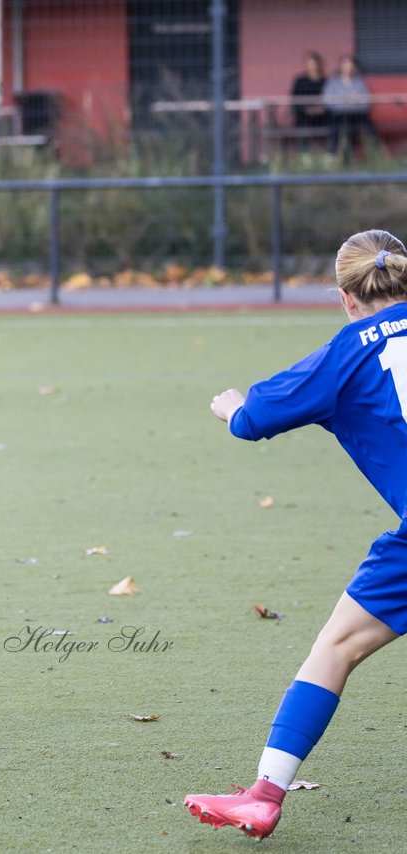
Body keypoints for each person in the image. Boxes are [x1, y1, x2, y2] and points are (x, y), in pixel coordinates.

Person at [185, 229, 407, 840]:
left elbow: (253, 420)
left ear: (345, 296)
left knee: (335, 650)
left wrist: (230, 404)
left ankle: (263, 795)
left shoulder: (344, 354)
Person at [323, 54, 373, 161]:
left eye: (351, 66)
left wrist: (343, 100)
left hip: (357, 116)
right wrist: (352, 100)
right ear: (341, 66)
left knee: (370, 128)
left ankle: (372, 155)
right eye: (346, 65)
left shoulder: (360, 83)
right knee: (337, 127)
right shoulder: (332, 83)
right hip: (338, 115)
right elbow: (328, 101)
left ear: (355, 68)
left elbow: (365, 103)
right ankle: (332, 155)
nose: (348, 69)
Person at [287, 50, 327, 152]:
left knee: (335, 123)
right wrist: (306, 109)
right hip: (304, 115)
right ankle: (303, 154)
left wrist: (320, 109)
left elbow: (328, 99)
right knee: (302, 125)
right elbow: (294, 100)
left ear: (318, 64)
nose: (311, 66)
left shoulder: (326, 81)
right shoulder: (300, 81)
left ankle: (329, 154)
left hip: (322, 115)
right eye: (308, 64)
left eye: (313, 63)